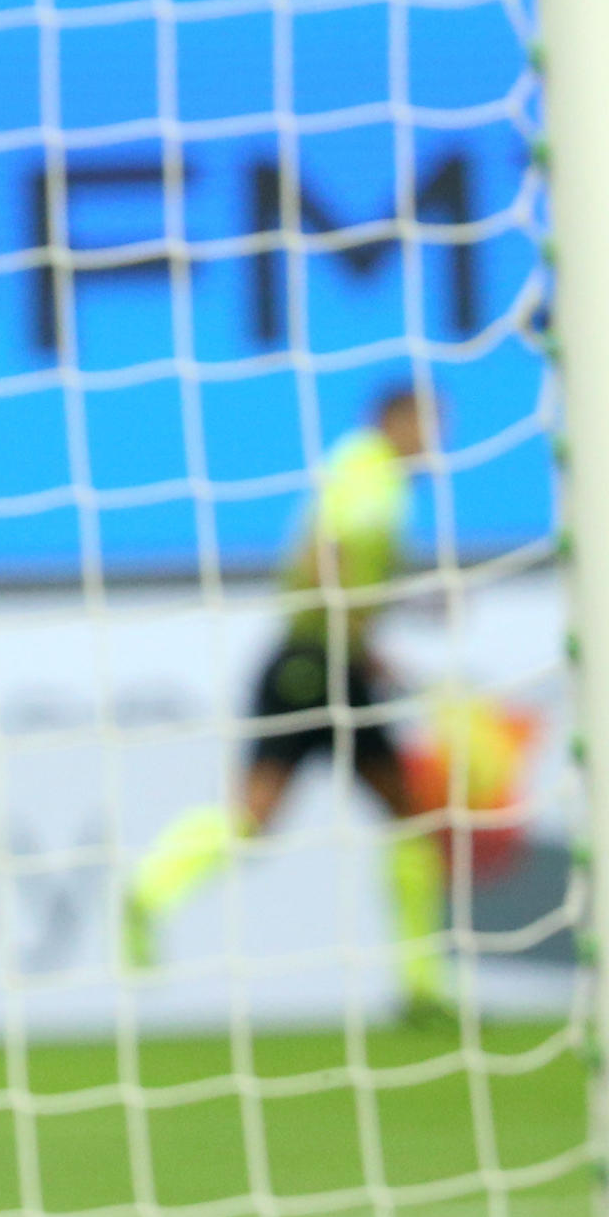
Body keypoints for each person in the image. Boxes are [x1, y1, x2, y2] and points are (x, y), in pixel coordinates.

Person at [125, 386, 450, 1019]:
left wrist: (376, 631)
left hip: (319, 658)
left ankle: (151, 886)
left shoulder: (375, 477)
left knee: (389, 816)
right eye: (428, 424)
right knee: (389, 817)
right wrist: (349, 633)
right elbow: (322, 556)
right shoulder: (369, 472)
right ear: (395, 420)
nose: (436, 440)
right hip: (317, 661)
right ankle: (421, 984)